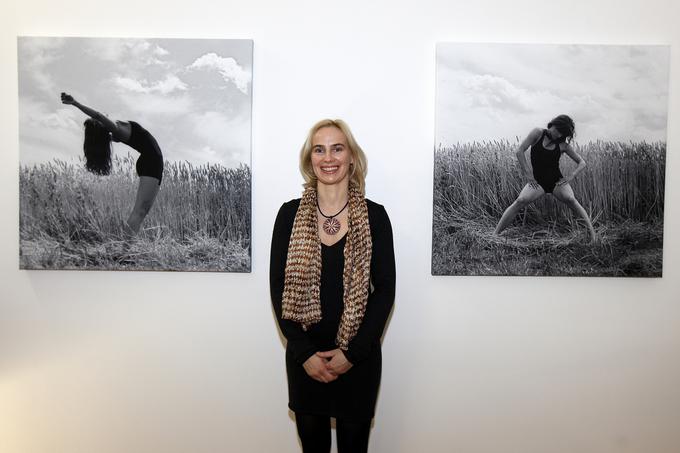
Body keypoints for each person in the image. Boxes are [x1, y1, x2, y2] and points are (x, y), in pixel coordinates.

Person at [270, 119, 395, 453]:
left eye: (337, 148)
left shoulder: (375, 217)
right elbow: (278, 288)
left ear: (351, 156)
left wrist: (352, 354)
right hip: (305, 358)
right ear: (310, 160)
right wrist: (304, 352)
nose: (329, 158)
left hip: (358, 358)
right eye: (319, 149)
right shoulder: (288, 215)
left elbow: (384, 291)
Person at [60, 92, 164, 235]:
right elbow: (97, 115)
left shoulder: (116, 131)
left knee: (142, 211)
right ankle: (126, 251)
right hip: (151, 162)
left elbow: (101, 125)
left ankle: (126, 248)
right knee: (140, 211)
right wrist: (75, 103)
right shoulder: (115, 128)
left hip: (151, 162)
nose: (104, 116)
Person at [494, 114, 597, 242]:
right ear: (554, 124)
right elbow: (520, 151)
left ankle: (593, 237)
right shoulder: (537, 133)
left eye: (562, 134)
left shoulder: (563, 145)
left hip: (556, 181)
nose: (559, 135)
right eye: (559, 131)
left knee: (571, 199)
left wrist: (571, 176)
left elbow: (582, 163)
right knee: (520, 201)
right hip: (538, 182)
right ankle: (495, 236)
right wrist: (527, 173)